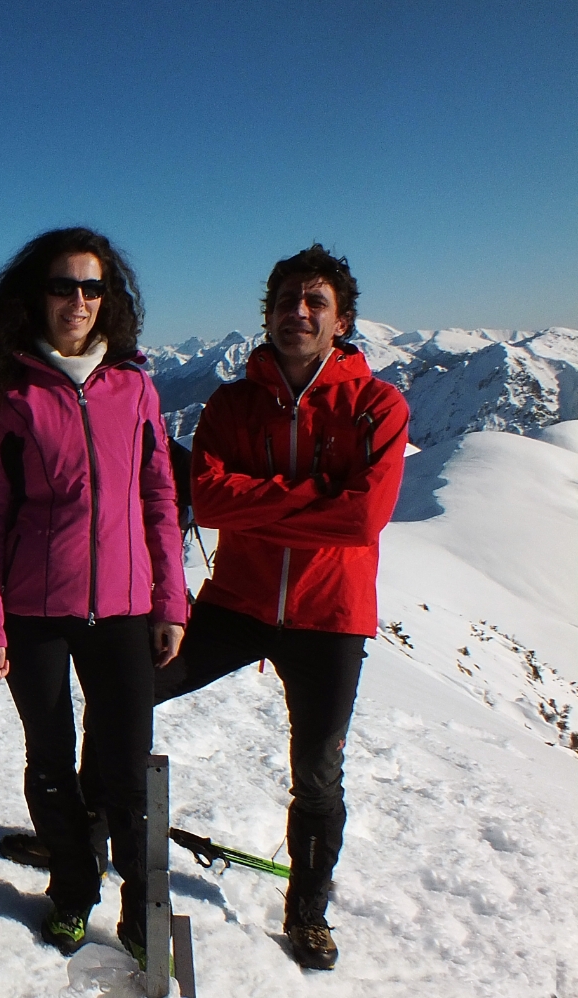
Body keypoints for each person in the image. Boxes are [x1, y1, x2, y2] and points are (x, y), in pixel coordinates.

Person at [156, 244, 409, 970]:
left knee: (318, 772)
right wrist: (318, 502)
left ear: (342, 319)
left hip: (331, 617)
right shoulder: (231, 404)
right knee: (129, 689)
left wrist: (253, 502)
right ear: (265, 315)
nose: (296, 312)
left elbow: (364, 521)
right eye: (284, 301)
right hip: (236, 601)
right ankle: (84, 823)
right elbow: (207, 500)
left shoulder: (377, 406)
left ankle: (308, 913)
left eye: (314, 302)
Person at [0, 227, 188, 959]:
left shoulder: (136, 387)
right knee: (51, 761)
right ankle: (70, 889)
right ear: (38, 295)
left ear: (108, 298)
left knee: (124, 761)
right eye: (64, 286)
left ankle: (136, 905)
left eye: (93, 287)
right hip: (35, 610)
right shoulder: (13, 393)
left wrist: (170, 602)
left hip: (124, 606)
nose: (79, 301)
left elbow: (160, 497)